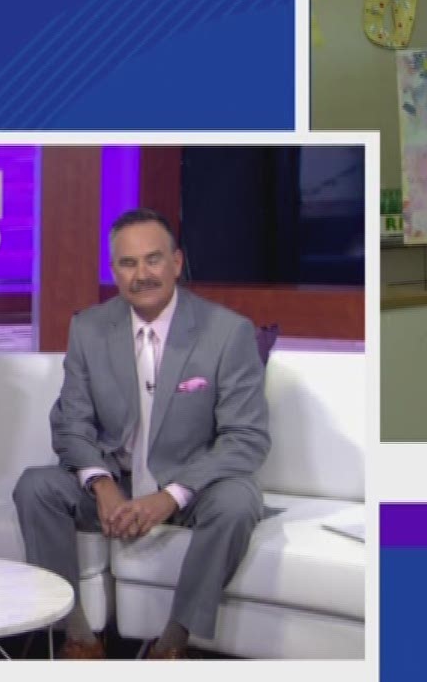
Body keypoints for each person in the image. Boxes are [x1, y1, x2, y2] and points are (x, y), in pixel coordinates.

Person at [14, 209, 270, 659]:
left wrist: (170, 496)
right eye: (128, 263)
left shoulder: (228, 332)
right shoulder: (89, 328)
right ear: (114, 271)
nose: (142, 274)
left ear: (176, 262)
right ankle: (78, 636)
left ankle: (173, 641)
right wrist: (101, 483)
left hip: (192, 486)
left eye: (153, 259)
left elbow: (245, 438)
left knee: (238, 501)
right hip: (117, 483)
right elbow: (71, 423)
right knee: (35, 486)